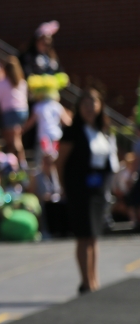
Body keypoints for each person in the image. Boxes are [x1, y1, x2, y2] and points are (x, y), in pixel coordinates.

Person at [56, 89, 117, 294]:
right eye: (85, 104)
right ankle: (85, 282)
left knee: (94, 236)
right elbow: (61, 162)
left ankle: (94, 279)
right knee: (84, 235)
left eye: (93, 104)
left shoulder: (103, 130)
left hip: (98, 190)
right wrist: (65, 188)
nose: (90, 108)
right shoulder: (72, 131)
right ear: (79, 108)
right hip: (79, 190)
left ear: (100, 106)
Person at [0, 57, 29, 166]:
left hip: (10, 113)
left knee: (12, 141)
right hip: (23, 112)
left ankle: (19, 164)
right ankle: (18, 163)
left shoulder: (3, 83)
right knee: (16, 138)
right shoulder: (22, 82)